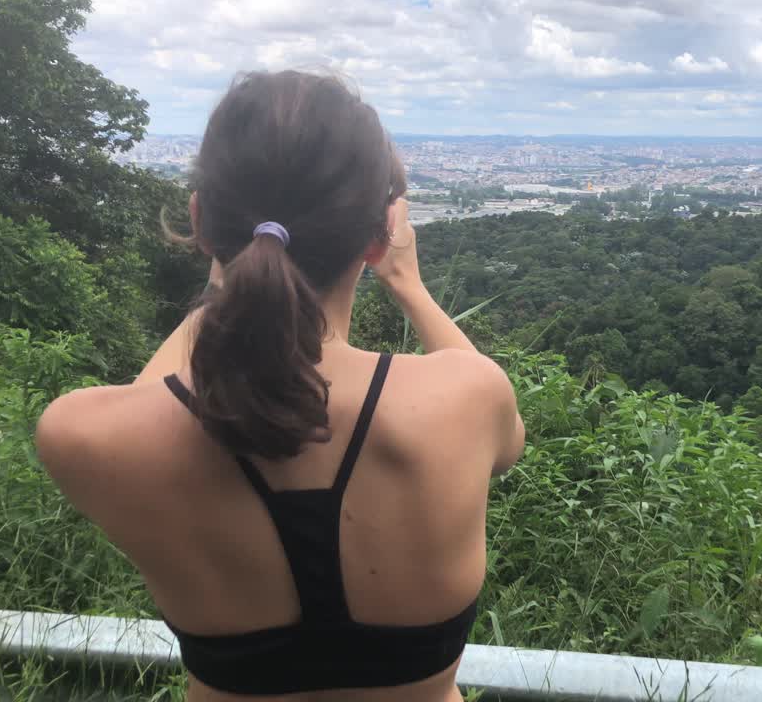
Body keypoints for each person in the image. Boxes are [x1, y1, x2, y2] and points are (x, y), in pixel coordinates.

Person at [34, 70, 525, 701]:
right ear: (379, 234)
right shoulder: (466, 399)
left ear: (201, 222)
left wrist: (227, 284)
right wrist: (407, 282)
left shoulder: (83, 436)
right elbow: (507, 443)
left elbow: (153, 403)